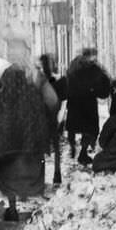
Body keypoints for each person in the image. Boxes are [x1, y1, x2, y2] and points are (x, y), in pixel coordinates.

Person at [0, 26, 58, 222]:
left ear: (25, 51)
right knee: (18, 169)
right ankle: (18, 204)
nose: (12, 53)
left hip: (14, 134)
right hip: (23, 134)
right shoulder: (27, 75)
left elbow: (52, 99)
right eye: (11, 50)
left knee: (13, 170)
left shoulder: (27, 74)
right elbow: (52, 101)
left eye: (16, 49)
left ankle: (14, 205)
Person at [65, 46, 112, 165]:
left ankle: (72, 147)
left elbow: (68, 80)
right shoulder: (94, 68)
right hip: (88, 102)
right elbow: (104, 80)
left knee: (72, 126)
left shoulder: (73, 65)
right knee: (89, 128)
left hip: (74, 101)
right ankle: (83, 152)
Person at [39, 53, 66, 186]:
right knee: (55, 149)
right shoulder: (56, 82)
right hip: (53, 120)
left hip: (44, 120)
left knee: (42, 151)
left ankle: (42, 177)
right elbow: (61, 100)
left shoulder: (40, 83)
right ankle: (57, 174)